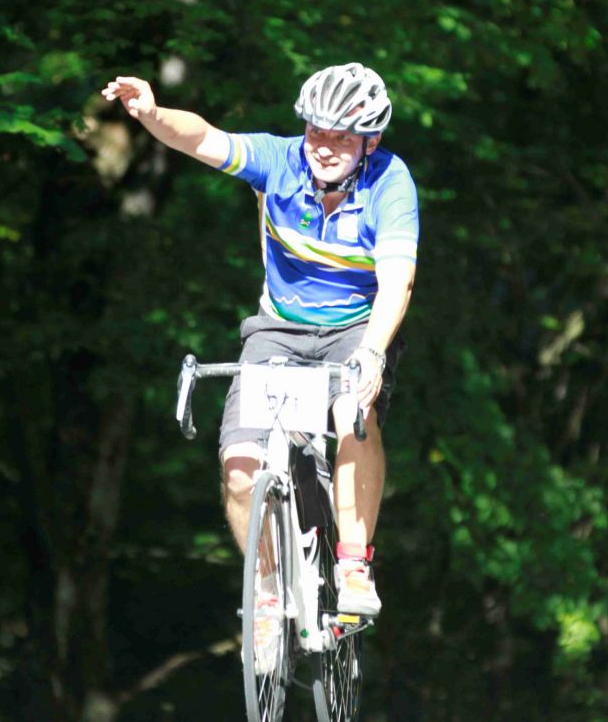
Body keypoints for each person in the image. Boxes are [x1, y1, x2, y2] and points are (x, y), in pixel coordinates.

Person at [102, 63, 418, 618]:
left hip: (355, 328)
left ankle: (352, 563)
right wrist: (151, 114)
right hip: (278, 330)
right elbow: (203, 138)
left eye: (341, 137)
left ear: (370, 141)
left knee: (352, 412)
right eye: (316, 131)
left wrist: (372, 352)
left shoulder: (390, 183)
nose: (324, 147)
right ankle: (270, 593)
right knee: (240, 467)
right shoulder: (280, 161)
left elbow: (398, 281)